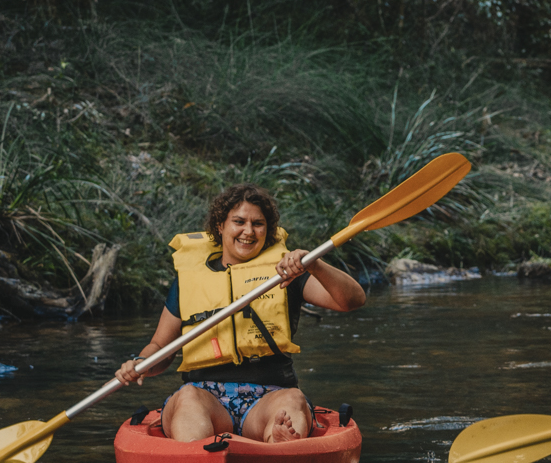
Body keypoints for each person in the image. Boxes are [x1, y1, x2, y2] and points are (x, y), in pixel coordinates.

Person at [114, 184, 366, 443]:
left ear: (267, 230)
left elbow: (353, 300)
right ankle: (198, 458)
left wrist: (314, 265)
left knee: (292, 400)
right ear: (220, 226)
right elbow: (160, 346)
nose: (248, 231)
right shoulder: (190, 280)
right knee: (188, 398)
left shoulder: (285, 273)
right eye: (239, 222)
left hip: (270, 396)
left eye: (258, 223)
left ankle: (278, 441)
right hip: (205, 397)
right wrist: (140, 363)